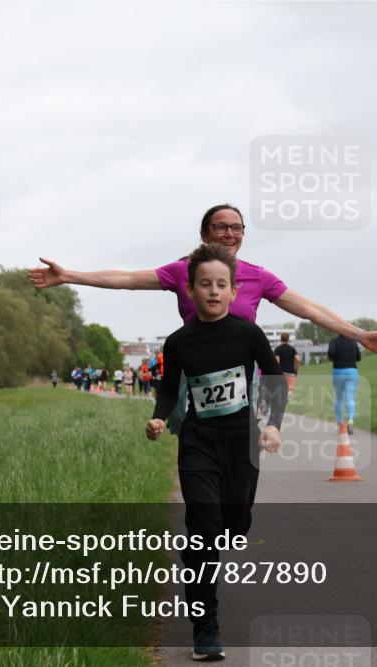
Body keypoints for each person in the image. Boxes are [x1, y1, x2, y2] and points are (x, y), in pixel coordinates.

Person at [29, 204, 377, 432]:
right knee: (187, 430)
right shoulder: (181, 271)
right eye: (221, 227)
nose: (230, 234)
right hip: (194, 368)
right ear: (204, 234)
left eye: (237, 228)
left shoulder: (257, 275)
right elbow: (126, 279)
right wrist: (70, 275)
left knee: (238, 435)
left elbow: (307, 308)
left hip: (242, 372)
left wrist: (358, 334)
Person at [146, 243, 288, 661]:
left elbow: (276, 381)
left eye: (220, 285)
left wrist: (274, 425)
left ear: (231, 292)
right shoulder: (179, 342)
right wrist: (159, 418)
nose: (212, 291)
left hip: (241, 441)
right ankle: (205, 627)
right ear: (190, 291)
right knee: (203, 529)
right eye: (204, 284)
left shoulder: (248, 334)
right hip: (198, 442)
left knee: (233, 524)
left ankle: (230, 526)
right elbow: (170, 390)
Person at [328, 334, 361, 434]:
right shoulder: (353, 341)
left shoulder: (334, 341)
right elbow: (358, 357)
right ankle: (350, 420)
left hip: (338, 371)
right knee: (350, 398)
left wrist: (335, 358)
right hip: (352, 371)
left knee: (339, 398)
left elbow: (331, 353)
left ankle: (340, 422)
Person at [273, 332, 300, 399]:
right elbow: (298, 359)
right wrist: (296, 368)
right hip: (291, 372)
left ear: (281, 339)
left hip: (281, 372)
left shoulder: (278, 349)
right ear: (288, 339)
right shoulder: (292, 349)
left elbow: (277, 361)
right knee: (290, 390)